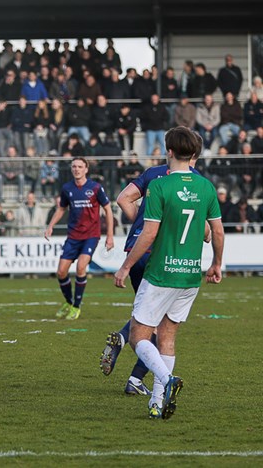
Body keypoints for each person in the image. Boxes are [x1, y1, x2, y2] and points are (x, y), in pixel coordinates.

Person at [113, 127, 224, 420]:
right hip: (189, 275)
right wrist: (217, 264)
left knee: (139, 337)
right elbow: (216, 231)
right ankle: (157, 403)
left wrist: (125, 267)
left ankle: (166, 380)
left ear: (169, 152)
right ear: (194, 155)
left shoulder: (159, 187)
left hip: (161, 272)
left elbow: (148, 234)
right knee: (168, 336)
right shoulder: (206, 187)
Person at [101, 130, 203, 395]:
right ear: (194, 155)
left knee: (146, 316)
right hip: (160, 254)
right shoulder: (197, 182)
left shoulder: (151, 174)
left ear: (170, 151)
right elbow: (205, 230)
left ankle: (123, 339)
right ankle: (137, 380)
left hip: (135, 251)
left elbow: (123, 198)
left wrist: (139, 221)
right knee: (159, 326)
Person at [44, 157, 114, 320]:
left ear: (86, 169)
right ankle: (69, 302)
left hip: (91, 235)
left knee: (81, 267)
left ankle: (76, 306)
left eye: (80, 166)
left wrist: (109, 235)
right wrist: (50, 225)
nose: (76, 169)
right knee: (61, 272)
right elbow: (61, 209)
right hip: (73, 236)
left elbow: (108, 209)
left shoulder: (95, 188)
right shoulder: (67, 188)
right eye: (74, 166)